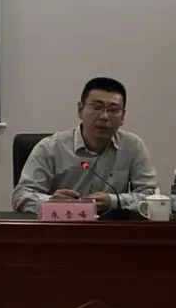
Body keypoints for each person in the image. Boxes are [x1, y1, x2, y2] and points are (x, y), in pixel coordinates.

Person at [12, 76, 157, 216]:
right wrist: (50, 202)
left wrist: (114, 201)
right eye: (97, 107)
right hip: (62, 227)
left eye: (113, 110)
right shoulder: (50, 148)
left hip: (111, 229)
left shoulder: (132, 146)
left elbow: (151, 197)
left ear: (123, 116)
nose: (104, 117)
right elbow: (21, 196)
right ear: (80, 110)